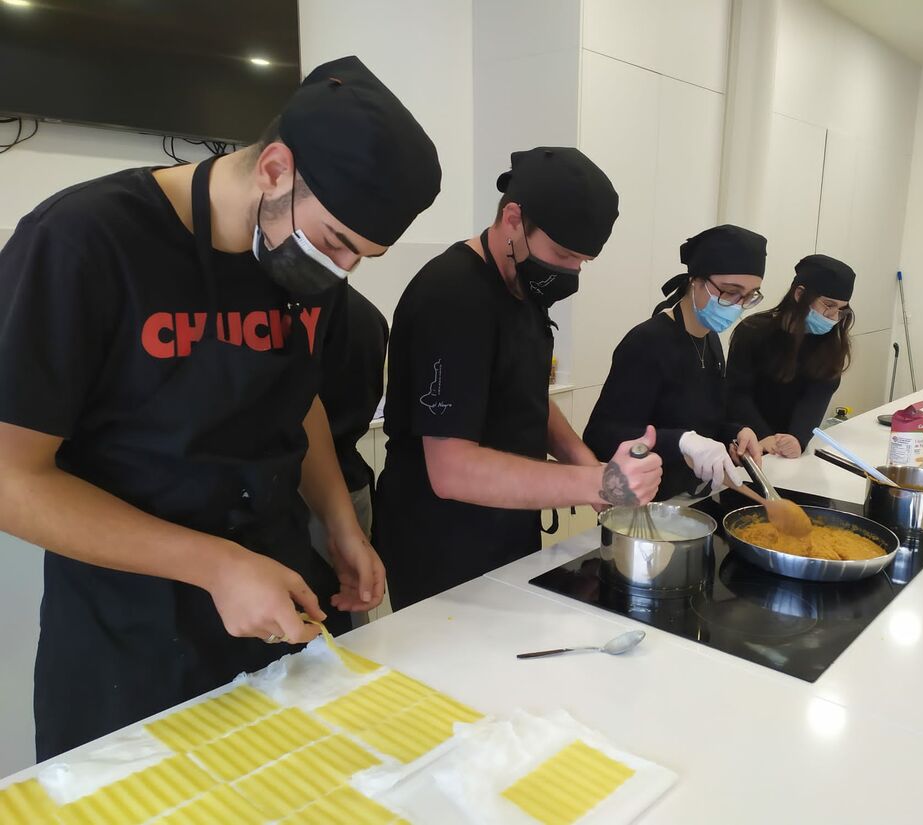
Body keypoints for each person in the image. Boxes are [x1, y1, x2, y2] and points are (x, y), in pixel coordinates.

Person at [0, 56, 441, 759]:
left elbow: (296, 398)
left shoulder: (302, 272)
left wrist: (339, 525)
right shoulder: (84, 240)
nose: (341, 270)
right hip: (130, 639)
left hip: (276, 612)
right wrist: (216, 565)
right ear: (274, 169)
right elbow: (11, 478)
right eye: (336, 242)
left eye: (362, 256)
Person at [373, 147, 662, 610]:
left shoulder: (525, 289)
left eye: (582, 261)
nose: (570, 272)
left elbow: (526, 396)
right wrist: (597, 484)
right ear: (513, 218)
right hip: (441, 543)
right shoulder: (452, 296)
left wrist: (587, 464)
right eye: (563, 254)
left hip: (509, 523)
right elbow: (451, 471)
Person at [584, 225, 765, 499]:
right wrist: (680, 442)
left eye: (750, 296)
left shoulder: (710, 339)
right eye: (730, 291)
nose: (739, 305)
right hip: (644, 505)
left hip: (688, 498)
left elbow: (704, 422)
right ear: (695, 281)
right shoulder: (647, 342)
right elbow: (601, 437)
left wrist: (737, 432)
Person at [725, 254, 856, 458]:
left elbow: (817, 398)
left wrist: (798, 438)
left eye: (841, 309)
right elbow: (737, 393)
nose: (833, 316)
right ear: (800, 294)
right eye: (828, 305)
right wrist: (764, 436)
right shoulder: (752, 332)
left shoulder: (831, 344)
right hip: (747, 441)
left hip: (792, 450)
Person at [310, 285, 388, 624]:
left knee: (332, 611)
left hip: (314, 495)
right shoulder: (370, 316)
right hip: (351, 480)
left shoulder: (303, 314)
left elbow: (303, 411)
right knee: (350, 612)